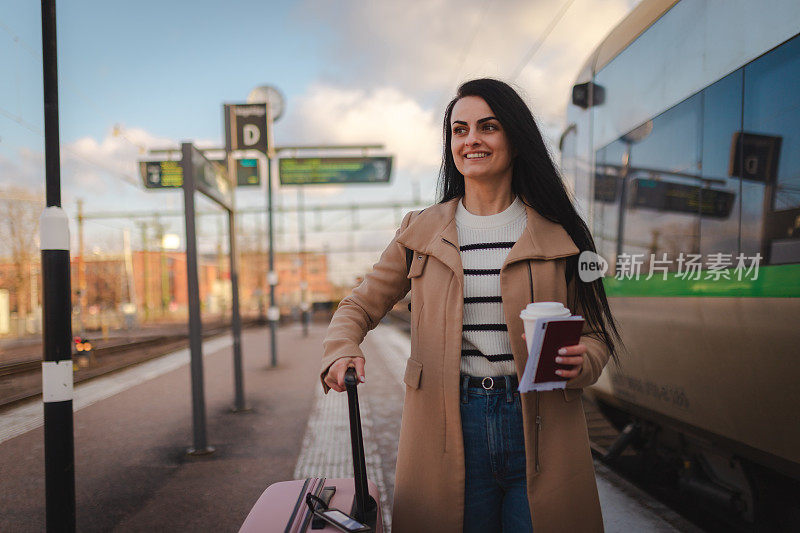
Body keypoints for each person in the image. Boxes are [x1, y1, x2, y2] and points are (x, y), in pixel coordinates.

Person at [320, 78, 622, 533]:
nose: (471, 140)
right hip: (449, 424)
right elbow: (359, 305)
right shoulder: (419, 232)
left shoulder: (561, 233)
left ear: (515, 140)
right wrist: (342, 347)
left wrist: (585, 361)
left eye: (488, 126)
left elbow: (596, 332)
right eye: (459, 130)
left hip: (541, 424)